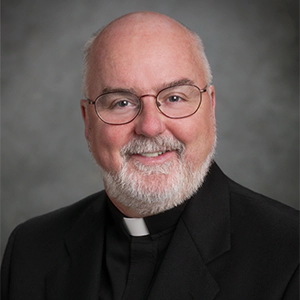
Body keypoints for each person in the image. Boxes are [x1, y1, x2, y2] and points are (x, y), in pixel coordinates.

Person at [1, 11, 300, 300]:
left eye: (174, 98)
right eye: (121, 103)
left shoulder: (290, 252)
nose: (150, 127)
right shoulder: (31, 249)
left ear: (210, 107)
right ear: (87, 121)